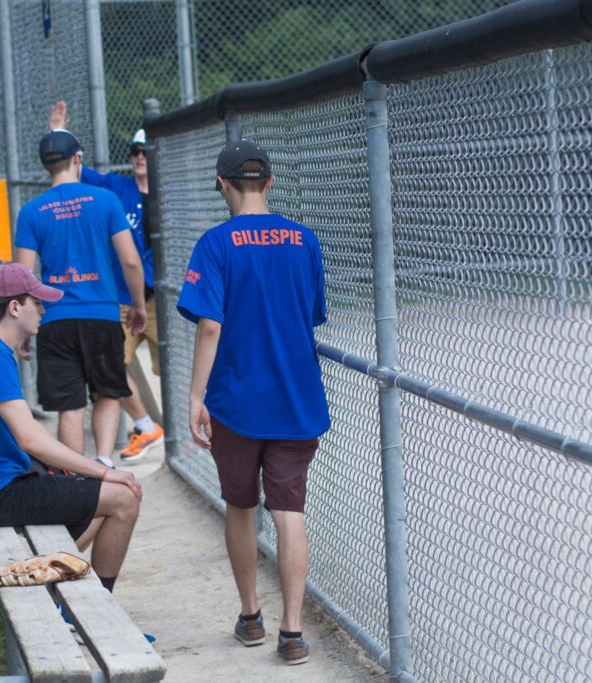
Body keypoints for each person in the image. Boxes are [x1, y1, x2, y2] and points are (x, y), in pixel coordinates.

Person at [178, 140, 329, 665]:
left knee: (241, 505)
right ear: (269, 182)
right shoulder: (305, 239)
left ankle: (250, 617)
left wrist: (196, 396)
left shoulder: (216, 243)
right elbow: (312, 314)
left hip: (236, 402)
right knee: (289, 510)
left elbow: (210, 326)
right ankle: (293, 632)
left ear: (222, 184)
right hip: (295, 399)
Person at [0, 263, 143, 595]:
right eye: (37, 303)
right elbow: (29, 438)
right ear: (14, 307)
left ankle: (56, 584)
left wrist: (88, 473)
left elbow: (26, 433)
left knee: (97, 502)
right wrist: (105, 472)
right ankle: (96, 601)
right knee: (124, 497)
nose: (43, 310)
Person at [14, 127, 147, 470]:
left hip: (55, 319)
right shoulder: (105, 200)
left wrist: (24, 328)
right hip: (101, 314)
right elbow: (131, 261)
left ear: (45, 165)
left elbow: (23, 277)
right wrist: (137, 305)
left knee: (70, 406)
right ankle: (103, 462)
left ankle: (75, 474)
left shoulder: (31, 211)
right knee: (108, 392)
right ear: (77, 159)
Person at [49, 101, 165, 463]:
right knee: (112, 366)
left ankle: (185, 435)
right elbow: (71, 168)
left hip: (162, 298)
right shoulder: (116, 188)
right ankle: (146, 426)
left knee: (173, 369)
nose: (139, 157)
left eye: (145, 151)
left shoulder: (170, 193)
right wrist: (57, 132)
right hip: (124, 298)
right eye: (134, 151)